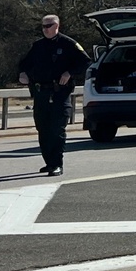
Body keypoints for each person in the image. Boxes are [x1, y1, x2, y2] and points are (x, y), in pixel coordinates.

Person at [17, 14, 90, 176]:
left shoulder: (68, 44)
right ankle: (49, 162)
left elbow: (85, 62)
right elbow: (24, 63)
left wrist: (69, 73)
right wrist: (22, 73)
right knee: (43, 129)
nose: (45, 29)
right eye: (43, 26)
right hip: (41, 93)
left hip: (59, 93)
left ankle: (57, 164)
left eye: (48, 26)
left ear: (57, 26)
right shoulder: (38, 46)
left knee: (57, 129)